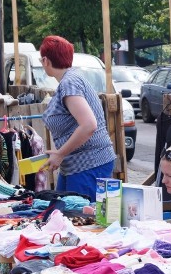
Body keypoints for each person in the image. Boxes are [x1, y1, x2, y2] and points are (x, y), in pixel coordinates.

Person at [40, 35, 117, 201]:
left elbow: (89, 125)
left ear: (46, 60)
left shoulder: (70, 83)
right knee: (64, 215)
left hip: (89, 164)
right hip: (77, 165)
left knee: (83, 221)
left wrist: (60, 153)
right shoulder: (72, 79)